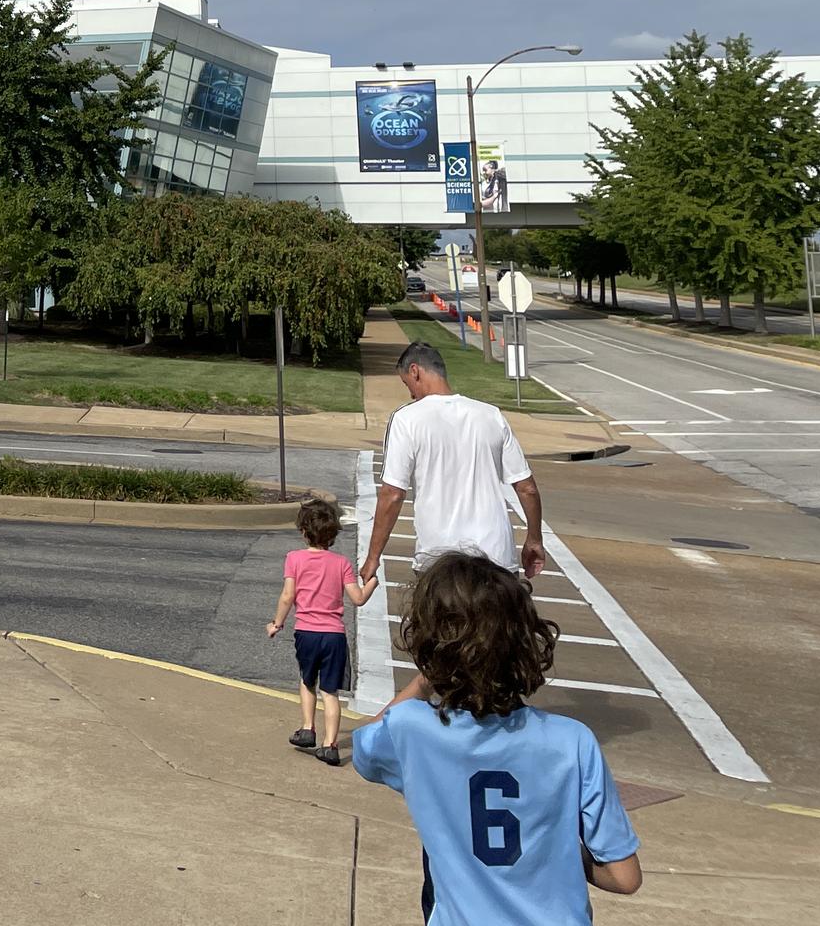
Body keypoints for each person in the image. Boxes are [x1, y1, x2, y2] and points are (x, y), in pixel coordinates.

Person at [355, 552, 641, 923]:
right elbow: (625, 877)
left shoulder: (410, 728)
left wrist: (428, 677)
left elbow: (366, 745)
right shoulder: (573, 741)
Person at [361, 341, 545, 584]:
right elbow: (527, 488)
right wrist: (534, 539)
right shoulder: (491, 415)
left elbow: (392, 494)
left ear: (415, 371)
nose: (410, 394)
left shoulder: (406, 419)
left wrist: (373, 557)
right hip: (497, 560)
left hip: (440, 561)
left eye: (408, 384)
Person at [266, 497, 378, 765]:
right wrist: (372, 581)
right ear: (334, 533)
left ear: (304, 531)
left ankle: (307, 728)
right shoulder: (341, 564)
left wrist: (277, 623)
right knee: (331, 692)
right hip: (334, 636)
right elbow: (358, 598)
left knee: (307, 681)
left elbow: (287, 595)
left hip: (306, 633)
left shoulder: (294, 559)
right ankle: (330, 745)